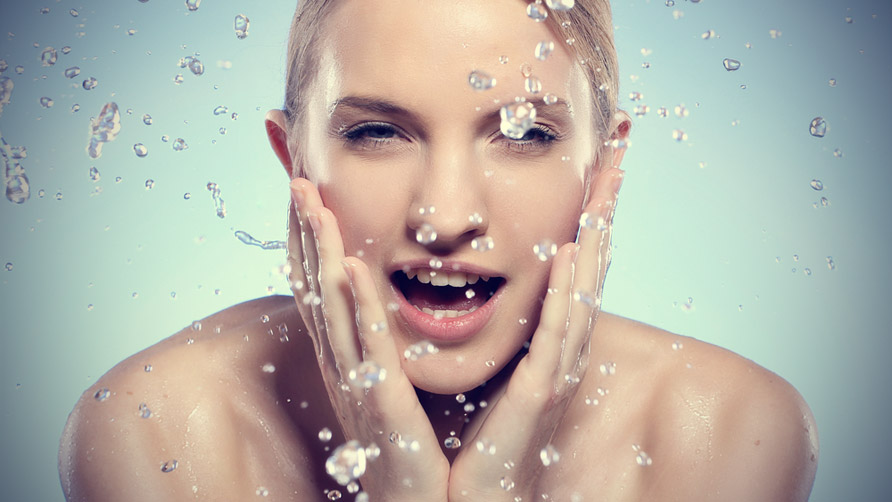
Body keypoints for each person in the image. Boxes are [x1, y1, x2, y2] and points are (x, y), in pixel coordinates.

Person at [58, 0, 818, 500]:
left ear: (603, 169)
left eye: (522, 134)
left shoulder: (720, 435)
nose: (445, 215)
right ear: (294, 159)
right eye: (377, 132)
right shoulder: (161, 431)